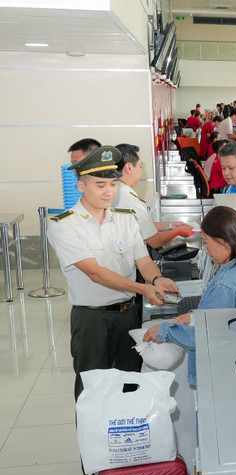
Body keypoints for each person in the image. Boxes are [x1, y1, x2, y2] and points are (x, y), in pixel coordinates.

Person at [47, 146, 178, 400]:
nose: (109, 192)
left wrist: (157, 279)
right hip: (92, 321)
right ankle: (93, 441)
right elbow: (95, 273)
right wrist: (143, 289)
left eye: (113, 184)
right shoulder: (64, 226)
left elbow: (143, 260)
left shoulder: (124, 219)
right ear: (81, 185)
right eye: (100, 185)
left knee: (129, 386)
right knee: (93, 393)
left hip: (128, 316)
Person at [143, 206, 236, 384]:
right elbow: (230, 317)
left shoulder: (225, 284)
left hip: (219, 372)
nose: (206, 249)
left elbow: (205, 337)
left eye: (206, 242)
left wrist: (164, 330)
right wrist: (195, 315)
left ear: (224, 242)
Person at [113, 143, 191, 248]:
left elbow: (142, 225)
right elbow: (155, 241)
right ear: (129, 168)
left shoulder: (114, 189)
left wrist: (170, 226)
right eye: (140, 166)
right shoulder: (130, 199)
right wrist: (179, 231)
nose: (141, 171)